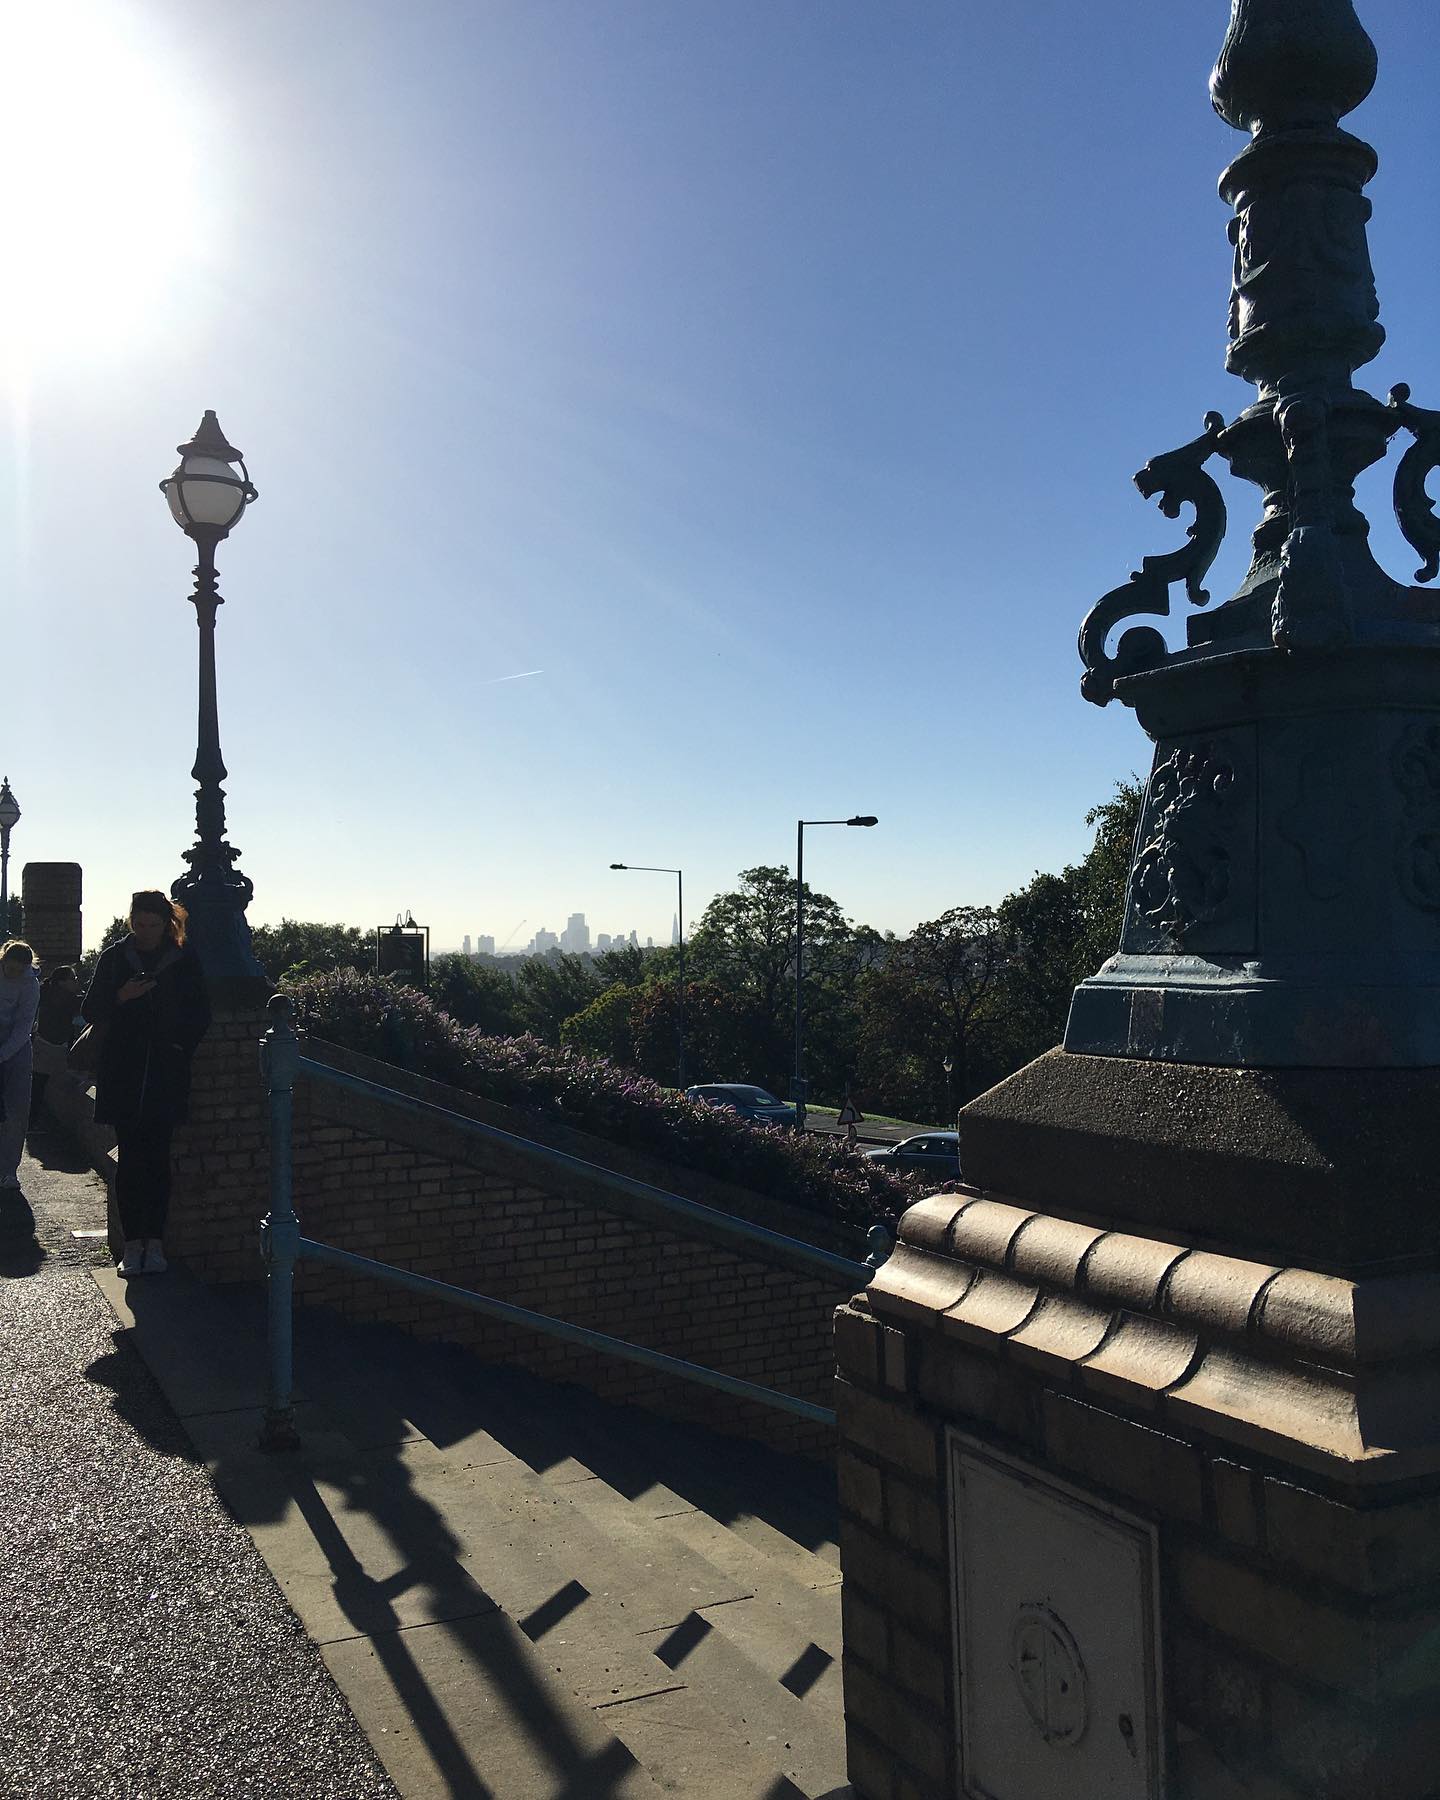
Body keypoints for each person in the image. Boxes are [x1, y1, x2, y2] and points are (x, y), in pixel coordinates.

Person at [81, 893, 210, 1276]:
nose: (146, 932)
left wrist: (178, 1047)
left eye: (153, 925)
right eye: (139, 924)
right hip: (123, 1071)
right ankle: (132, 1243)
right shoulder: (114, 957)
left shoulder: (183, 959)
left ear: (166, 924)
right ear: (131, 921)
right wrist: (122, 995)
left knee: (157, 1160)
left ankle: (155, 1243)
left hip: (165, 1073)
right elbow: (90, 1009)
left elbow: (200, 1013)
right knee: (130, 1161)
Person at [0, 939, 40, 1189]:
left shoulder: (30, 984)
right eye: (9, 968)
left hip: (17, 1049)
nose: (13, 974)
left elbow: (24, 1026)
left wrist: (3, 1054)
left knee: (16, 1111)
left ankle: (8, 1171)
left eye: (19, 970)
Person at [30, 963, 82, 1128]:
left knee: (38, 1084)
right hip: (52, 1046)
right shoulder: (66, 998)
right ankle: (34, 1122)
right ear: (62, 982)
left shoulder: (45, 993)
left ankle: (32, 1122)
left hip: (42, 1043)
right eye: (73, 978)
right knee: (42, 1085)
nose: (76, 981)